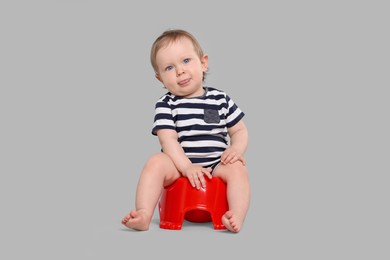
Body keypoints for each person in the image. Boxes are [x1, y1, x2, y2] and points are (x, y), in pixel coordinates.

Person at [122, 29, 250, 233]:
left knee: (238, 169)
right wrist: (187, 167)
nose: (179, 71)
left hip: (216, 165)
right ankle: (144, 213)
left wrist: (237, 149)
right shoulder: (166, 104)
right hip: (178, 166)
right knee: (155, 162)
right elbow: (168, 141)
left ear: (203, 63)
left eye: (186, 61)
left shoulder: (220, 99)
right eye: (169, 67)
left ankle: (235, 214)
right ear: (160, 79)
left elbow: (240, 130)